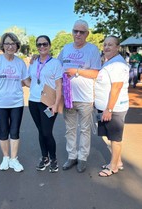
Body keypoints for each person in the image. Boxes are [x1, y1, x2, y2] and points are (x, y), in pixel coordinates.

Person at [58, 19, 101, 173]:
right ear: (72, 32)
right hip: (68, 97)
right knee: (69, 130)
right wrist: (40, 59)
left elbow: (96, 72)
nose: (78, 34)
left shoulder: (93, 50)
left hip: (85, 98)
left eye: (81, 32)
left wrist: (76, 71)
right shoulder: (66, 48)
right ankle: (72, 156)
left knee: (84, 130)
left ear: (87, 34)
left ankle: (82, 158)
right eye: (75, 31)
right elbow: (57, 67)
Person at [86, 36, 129, 177]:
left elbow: (116, 88)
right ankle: (118, 161)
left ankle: (113, 167)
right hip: (105, 106)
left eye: (110, 45)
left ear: (117, 47)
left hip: (114, 108)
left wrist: (109, 109)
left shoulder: (117, 65)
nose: (106, 47)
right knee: (110, 137)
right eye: (105, 45)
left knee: (115, 138)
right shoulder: (109, 62)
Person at [0, 33, 30, 172]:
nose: (10, 46)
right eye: (7, 43)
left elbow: (27, 82)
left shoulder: (20, 63)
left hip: (17, 102)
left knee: (15, 131)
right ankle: (5, 158)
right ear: (3, 46)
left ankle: (14, 159)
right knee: (3, 131)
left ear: (17, 46)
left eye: (12, 43)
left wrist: (42, 81)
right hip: (0, 103)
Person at [28, 35, 62, 173]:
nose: (42, 46)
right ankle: (45, 158)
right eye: (39, 44)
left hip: (48, 103)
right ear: (36, 46)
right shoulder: (33, 62)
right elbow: (27, 79)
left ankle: (53, 159)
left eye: (45, 44)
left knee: (47, 132)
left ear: (49, 45)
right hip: (33, 102)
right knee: (41, 131)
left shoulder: (55, 63)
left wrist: (55, 104)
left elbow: (59, 86)